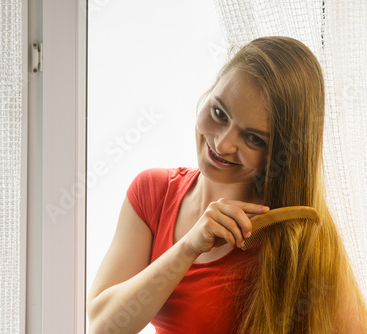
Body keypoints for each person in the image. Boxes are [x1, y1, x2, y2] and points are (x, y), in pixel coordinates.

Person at [87, 36, 367, 334]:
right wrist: (188, 248)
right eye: (219, 113)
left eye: (254, 138)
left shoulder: (300, 238)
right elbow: (103, 326)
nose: (222, 143)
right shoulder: (152, 193)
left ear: (282, 150)